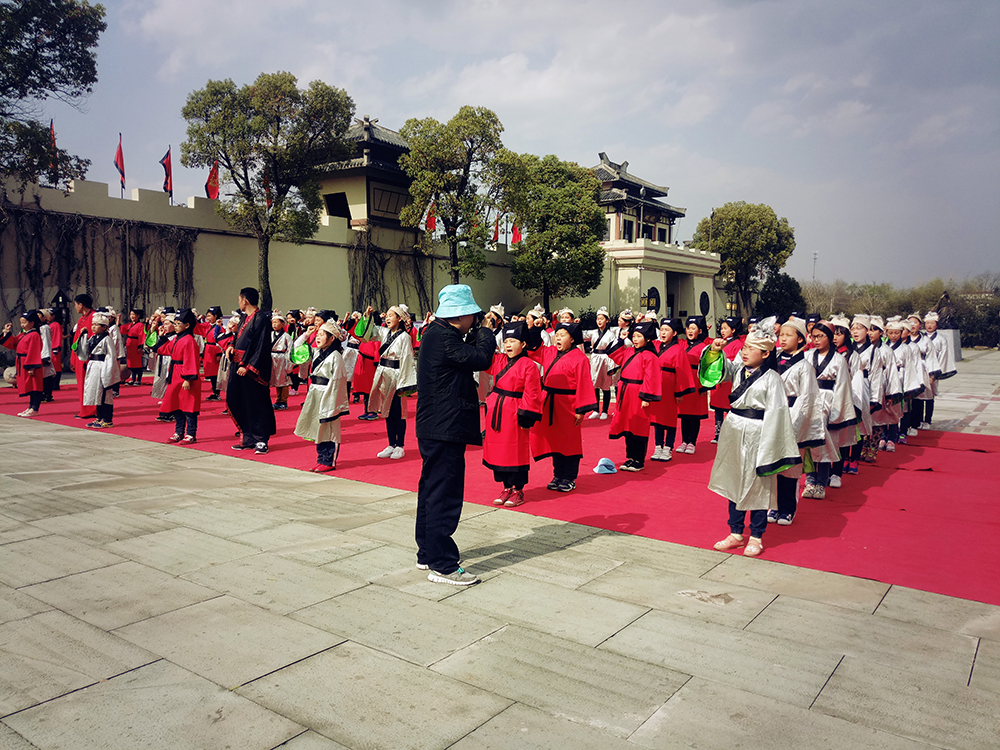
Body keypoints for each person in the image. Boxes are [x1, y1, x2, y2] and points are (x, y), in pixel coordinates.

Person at [415, 284, 497, 585]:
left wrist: (478, 333)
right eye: (472, 316)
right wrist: (487, 332)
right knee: (443, 494)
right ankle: (443, 564)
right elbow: (481, 358)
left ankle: (427, 552)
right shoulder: (443, 338)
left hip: (437, 426)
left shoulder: (437, 334)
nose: (475, 320)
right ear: (460, 315)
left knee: (431, 490)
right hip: (444, 427)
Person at [700, 317, 800, 558]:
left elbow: (777, 414)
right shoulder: (739, 370)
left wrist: (772, 448)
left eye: (751, 349)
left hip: (758, 431)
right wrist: (714, 351)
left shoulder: (772, 378)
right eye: (744, 348)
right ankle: (735, 532)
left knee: (758, 484)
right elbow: (718, 372)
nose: (744, 353)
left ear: (766, 354)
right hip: (734, 427)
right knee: (734, 479)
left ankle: (756, 535)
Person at [482, 320, 543, 507]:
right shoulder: (499, 360)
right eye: (506, 341)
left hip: (515, 412)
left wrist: (526, 415)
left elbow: (532, 392)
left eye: (513, 341)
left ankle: (518, 490)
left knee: (515, 450)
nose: (508, 344)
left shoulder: (529, 365)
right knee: (498, 450)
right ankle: (506, 487)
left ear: (523, 344)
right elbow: (483, 360)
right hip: (497, 410)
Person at [362, 303, 418, 459]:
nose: (387, 318)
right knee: (386, 411)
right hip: (383, 373)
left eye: (391, 315)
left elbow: (407, 359)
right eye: (386, 315)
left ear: (399, 318)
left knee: (398, 411)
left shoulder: (405, 337)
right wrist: (368, 316)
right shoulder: (384, 332)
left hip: (397, 375)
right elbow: (367, 333)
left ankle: (400, 446)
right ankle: (390, 443)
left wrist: (404, 383)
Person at [294, 320, 350, 472]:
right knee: (318, 427)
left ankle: (329, 460)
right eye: (317, 335)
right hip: (315, 392)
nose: (317, 337)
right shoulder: (316, 352)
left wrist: (332, 403)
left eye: (321, 335)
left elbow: (338, 381)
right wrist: (307, 334)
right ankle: (321, 458)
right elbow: (297, 349)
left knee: (329, 428)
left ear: (332, 338)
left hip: (328, 394)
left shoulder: (336, 357)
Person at [227, 287, 276, 455]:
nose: (239, 302)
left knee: (257, 403)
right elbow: (237, 338)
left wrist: (247, 366)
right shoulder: (244, 318)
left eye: (239, 299)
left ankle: (261, 439)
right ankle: (248, 437)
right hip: (237, 365)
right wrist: (231, 346)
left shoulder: (261, 319)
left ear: (245, 300)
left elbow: (261, 346)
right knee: (236, 400)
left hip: (251, 369)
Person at [608, 320, 661, 471]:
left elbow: (651, 377)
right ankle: (630, 457)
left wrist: (646, 397)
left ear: (648, 338)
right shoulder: (629, 351)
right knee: (627, 424)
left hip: (638, 393)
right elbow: (612, 353)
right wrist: (620, 338)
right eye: (634, 336)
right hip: (625, 391)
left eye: (639, 336)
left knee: (638, 425)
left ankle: (639, 459)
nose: (635, 339)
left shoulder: (650, 356)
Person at [649, 317, 698, 462]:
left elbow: (682, 372)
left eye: (667, 330)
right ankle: (658, 446)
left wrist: (679, 392)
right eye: (662, 330)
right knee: (656, 419)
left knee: (669, 419)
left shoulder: (678, 350)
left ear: (675, 333)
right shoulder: (655, 346)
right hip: (656, 387)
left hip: (670, 388)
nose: (663, 333)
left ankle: (668, 447)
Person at [161, 309, 202, 444]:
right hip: (175, 373)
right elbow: (166, 349)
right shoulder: (178, 339)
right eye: (176, 323)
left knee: (189, 407)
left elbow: (191, 360)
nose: (176, 326)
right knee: (177, 405)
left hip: (184, 376)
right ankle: (179, 431)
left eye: (179, 323)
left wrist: (187, 378)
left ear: (187, 325)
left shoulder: (189, 340)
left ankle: (191, 434)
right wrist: (162, 337)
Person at [677, 315, 711, 453]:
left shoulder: (704, 347)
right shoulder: (681, 344)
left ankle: (692, 442)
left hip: (697, 382)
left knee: (695, 414)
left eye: (693, 328)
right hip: (684, 382)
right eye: (688, 328)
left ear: (700, 331)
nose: (690, 331)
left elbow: (708, 368)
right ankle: (684, 440)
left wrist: (705, 386)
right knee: (684, 414)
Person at [1, 310, 45, 417]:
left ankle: (35, 408)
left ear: (32, 323)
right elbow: (13, 343)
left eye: (24, 322)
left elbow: (34, 351)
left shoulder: (34, 335)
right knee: (30, 386)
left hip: (29, 362)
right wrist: (6, 332)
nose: (22, 325)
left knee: (35, 386)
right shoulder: (24, 334)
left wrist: (32, 367)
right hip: (22, 361)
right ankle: (30, 407)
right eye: (21, 322)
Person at [80, 312, 120, 428]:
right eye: (93, 324)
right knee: (96, 393)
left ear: (104, 327)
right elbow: (84, 351)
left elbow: (111, 356)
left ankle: (107, 419)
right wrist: (83, 336)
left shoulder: (107, 339)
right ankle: (99, 417)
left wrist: (108, 374)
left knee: (104, 394)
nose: (93, 327)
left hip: (103, 367)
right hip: (93, 366)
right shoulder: (92, 338)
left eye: (97, 325)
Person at [709, 317, 744, 443]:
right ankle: (718, 433)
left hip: (729, 380)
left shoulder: (738, 344)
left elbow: (737, 364)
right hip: (719, 381)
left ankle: (729, 434)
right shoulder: (719, 342)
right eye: (721, 328)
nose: (722, 331)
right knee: (718, 409)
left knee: (729, 409)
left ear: (733, 330)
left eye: (725, 328)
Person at [584, 307, 622, 420]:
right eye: (598, 319)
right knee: (594, 384)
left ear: (607, 320)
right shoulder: (593, 333)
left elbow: (614, 348)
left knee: (605, 385)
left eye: (601, 319)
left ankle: (605, 410)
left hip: (606, 358)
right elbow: (580, 335)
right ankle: (595, 409)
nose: (599, 321)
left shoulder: (611, 334)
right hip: (595, 358)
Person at [71, 293, 96, 419]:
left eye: (76, 304)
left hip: (88, 356)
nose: (75, 307)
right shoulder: (82, 319)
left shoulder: (93, 317)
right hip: (80, 356)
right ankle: (85, 408)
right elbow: (76, 340)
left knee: (89, 383)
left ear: (81, 305)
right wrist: (73, 358)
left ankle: (90, 409)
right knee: (82, 384)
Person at [200, 306, 225, 400]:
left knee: (215, 373)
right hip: (208, 350)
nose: (208, 318)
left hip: (214, 350)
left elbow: (220, 341)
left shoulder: (220, 328)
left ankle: (216, 392)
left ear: (215, 316)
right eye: (207, 316)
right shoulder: (208, 326)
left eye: (210, 316)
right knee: (211, 372)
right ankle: (215, 391)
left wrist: (219, 353)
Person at [269, 312, 293, 410]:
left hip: (282, 358)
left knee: (283, 381)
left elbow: (290, 349)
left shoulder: (286, 336)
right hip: (272, 358)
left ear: (283, 324)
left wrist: (289, 363)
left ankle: (284, 401)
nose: (274, 324)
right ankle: (278, 400)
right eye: (273, 322)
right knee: (276, 380)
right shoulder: (270, 334)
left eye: (276, 322)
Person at [122, 308, 146, 385]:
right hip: (130, 345)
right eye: (131, 314)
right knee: (131, 363)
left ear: (138, 316)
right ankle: (132, 379)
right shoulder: (130, 325)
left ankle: (138, 380)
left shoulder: (140, 325)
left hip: (136, 344)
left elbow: (141, 336)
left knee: (138, 363)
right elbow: (122, 329)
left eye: (134, 315)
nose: (132, 316)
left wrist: (140, 346)